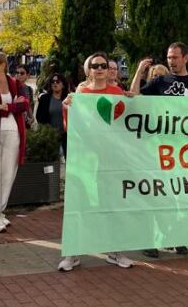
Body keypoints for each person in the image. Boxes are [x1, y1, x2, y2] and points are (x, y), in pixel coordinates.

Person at [57, 52, 134, 272]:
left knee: (112, 204)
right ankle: (73, 252)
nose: (99, 69)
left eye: (103, 65)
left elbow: (125, 124)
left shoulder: (117, 92)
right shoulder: (80, 93)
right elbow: (70, 127)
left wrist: (132, 103)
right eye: (95, 65)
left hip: (110, 159)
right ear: (88, 69)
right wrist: (67, 107)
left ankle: (115, 251)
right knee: (79, 204)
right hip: (85, 160)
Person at [137, 42, 188, 258]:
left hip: (185, 153)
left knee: (181, 198)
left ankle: (177, 238)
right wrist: (140, 72)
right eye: (169, 57)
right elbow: (135, 98)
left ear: (186, 58)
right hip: (159, 151)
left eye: (175, 57)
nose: (171, 61)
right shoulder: (160, 81)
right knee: (157, 197)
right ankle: (151, 241)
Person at [0, 51, 30, 233]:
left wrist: (1, 106)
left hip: (13, 133)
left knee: (8, 174)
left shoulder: (16, 84)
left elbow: (24, 104)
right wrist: (9, 108)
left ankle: (0, 211)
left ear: (2, 65)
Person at [36, 72, 69, 158]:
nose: (55, 83)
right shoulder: (44, 99)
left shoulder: (69, 99)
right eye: (52, 82)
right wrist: (47, 131)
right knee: (52, 161)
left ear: (63, 85)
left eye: (58, 81)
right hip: (51, 135)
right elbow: (39, 117)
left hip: (67, 135)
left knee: (69, 160)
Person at [14, 64, 35, 130]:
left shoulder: (29, 89)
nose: (19, 75)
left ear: (27, 75)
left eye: (22, 73)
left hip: (25, 123)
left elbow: (29, 106)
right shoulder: (11, 87)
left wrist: (31, 118)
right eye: (17, 73)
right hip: (13, 121)